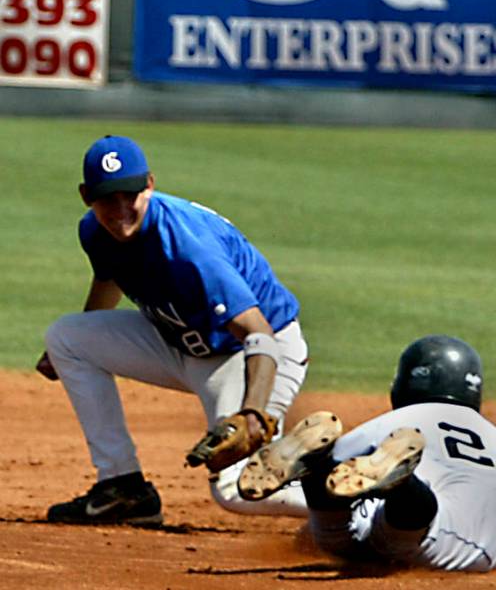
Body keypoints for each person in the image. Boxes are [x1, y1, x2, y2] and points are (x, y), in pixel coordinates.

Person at [38, 135, 311, 525]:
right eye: (105, 198)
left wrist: (253, 415)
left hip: (254, 354)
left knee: (236, 488)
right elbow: (109, 279)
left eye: (128, 195)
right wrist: (64, 357)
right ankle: (123, 489)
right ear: (85, 196)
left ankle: (353, 500)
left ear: (149, 184)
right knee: (67, 337)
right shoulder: (94, 232)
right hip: (183, 343)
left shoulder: (187, 246)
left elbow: (258, 333)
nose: (118, 211)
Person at [237, 334, 496, 571]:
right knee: (412, 533)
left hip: (367, 528)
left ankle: (315, 463)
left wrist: (306, 538)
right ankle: (403, 485)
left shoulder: (394, 421)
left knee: (336, 535)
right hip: (443, 539)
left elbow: (342, 470)